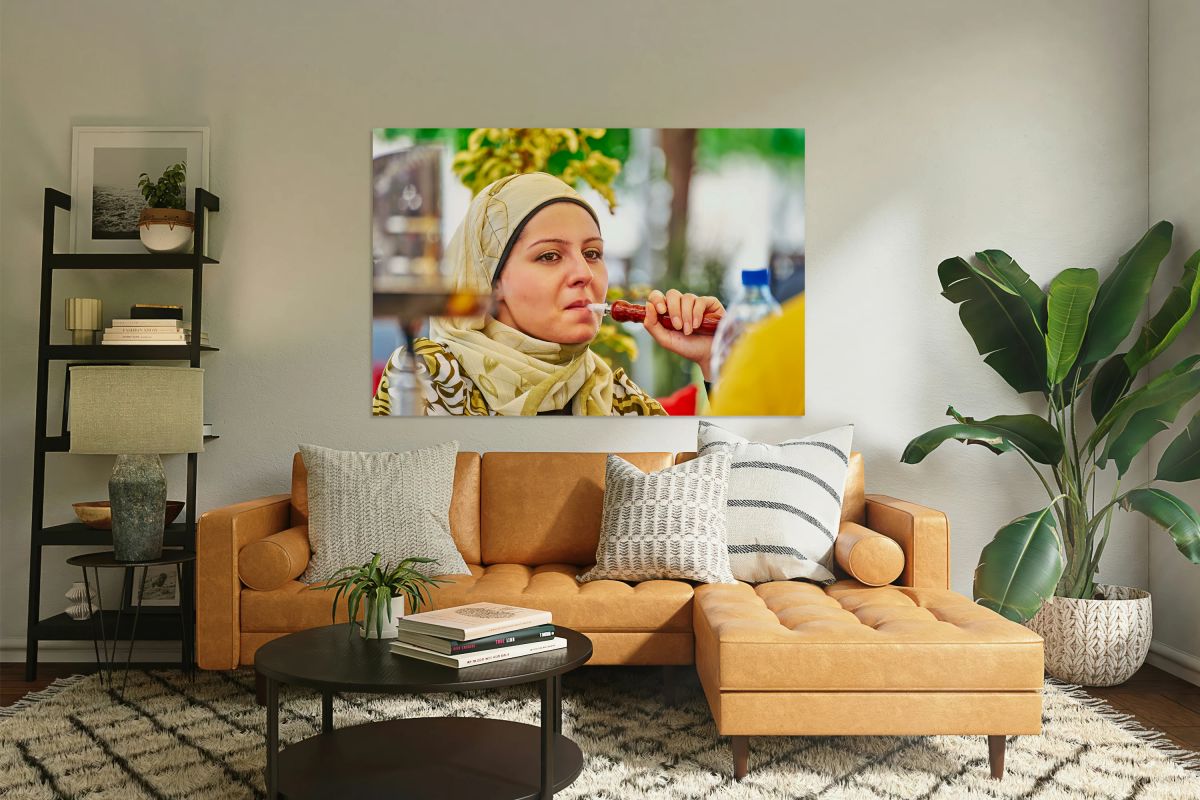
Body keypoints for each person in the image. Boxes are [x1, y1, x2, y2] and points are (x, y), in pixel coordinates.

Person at [373, 172, 723, 416]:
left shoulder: (620, 399)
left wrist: (715, 361)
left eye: (592, 254)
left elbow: (726, 497)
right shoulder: (428, 374)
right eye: (550, 256)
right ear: (491, 281)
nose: (584, 274)